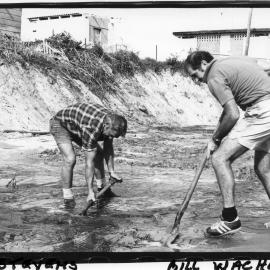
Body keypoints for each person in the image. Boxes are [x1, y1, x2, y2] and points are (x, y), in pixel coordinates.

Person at [184, 51, 270, 237]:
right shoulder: (231, 61)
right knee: (264, 169)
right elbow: (227, 112)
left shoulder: (214, 75)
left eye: (195, 75)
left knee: (219, 159)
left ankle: (230, 219)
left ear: (204, 64)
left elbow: (232, 114)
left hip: (263, 112)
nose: (196, 81)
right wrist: (215, 137)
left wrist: (215, 140)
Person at [50, 102, 127, 209]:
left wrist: (112, 172)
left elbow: (108, 146)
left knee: (98, 153)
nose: (112, 137)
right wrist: (90, 192)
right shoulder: (91, 127)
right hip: (60, 124)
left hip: (77, 123)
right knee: (70, 159)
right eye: (111, 135)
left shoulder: (113, 121)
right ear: (105, 126)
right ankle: (68, 198)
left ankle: (102, 189)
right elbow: (89, 163)